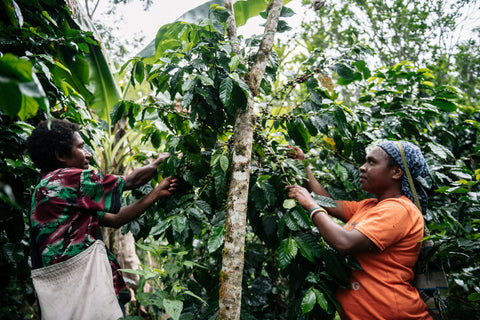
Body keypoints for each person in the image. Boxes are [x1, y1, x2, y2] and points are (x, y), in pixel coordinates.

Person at [27, 119, 177, 318]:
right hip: (84, 283)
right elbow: (132, 180)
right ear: (61, 155)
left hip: (65, 291)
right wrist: (159, 161)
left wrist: (155, 194)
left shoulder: (45, 188)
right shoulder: (66, 179)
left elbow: (114, 219)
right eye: (81, 147)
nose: (88, 154)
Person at [285, 141, 432, 320]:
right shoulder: (370, 206)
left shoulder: (400, 210)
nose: (362, 168)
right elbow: (327, 202)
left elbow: (344, 242)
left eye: (372, 162)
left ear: (396, 172)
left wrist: (310, 205)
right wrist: (303, 165)